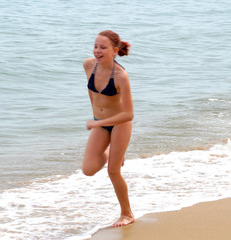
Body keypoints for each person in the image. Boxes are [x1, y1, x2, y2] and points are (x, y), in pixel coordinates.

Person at [82, 30, 134, 227]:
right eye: (95, 46)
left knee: (113, 171)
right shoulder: (89, 65)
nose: (97, 51)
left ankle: (127, 214)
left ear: (115, 50)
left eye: (103, 47)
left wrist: (96, 123)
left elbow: (129, 114)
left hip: (120, 123)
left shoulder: (121, 76)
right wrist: (96, 116)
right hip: (100, 122)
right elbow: (92, 93)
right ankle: (114, 150)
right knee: (88, 169)